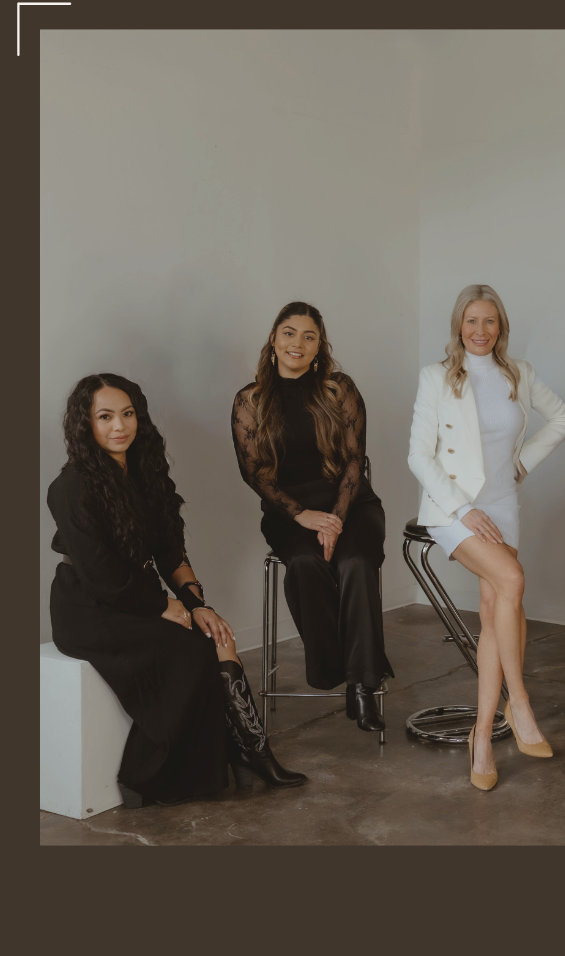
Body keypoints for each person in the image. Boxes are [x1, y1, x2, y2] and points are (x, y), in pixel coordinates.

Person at [48, 374, 306, 808]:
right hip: (88, 606)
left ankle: (253, 754)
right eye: (105, 416)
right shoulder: (71, 486)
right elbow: (99, 573)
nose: (119, 426)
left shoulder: (146, 472)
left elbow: (170, 550)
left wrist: (195, 604)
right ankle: (157, 774)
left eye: (127, 414)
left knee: (217, 637)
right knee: (190, 653)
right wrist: (161, 605)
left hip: (134, 595)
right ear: (84, 424)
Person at [408, 284, 565, 790]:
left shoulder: (519, 374)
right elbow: (419, 455)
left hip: (503, 505)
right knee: (513, 580)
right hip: (452, 509)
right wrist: (464, 509)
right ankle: (519, 702)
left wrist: (523, 461)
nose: (481, 331)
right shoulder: (436, 377)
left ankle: (482, 739)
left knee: (497, 606)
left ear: (502, 327)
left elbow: (563, 418)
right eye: (471, 321)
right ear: (458, 325)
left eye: (491, 322)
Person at [232, 302, 392, 732]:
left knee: (356, 564)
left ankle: (362, 687)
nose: (297, 344)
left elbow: (356, 461)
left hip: (352, 504)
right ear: (273, 340)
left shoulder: (338, 389)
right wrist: (303, 516)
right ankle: (335, 668)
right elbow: (254, 473)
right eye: (288, 333)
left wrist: (335, 519)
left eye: (308, 336)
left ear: (320, 346)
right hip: (289, 513)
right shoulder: (250, 400)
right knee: (304, 564)